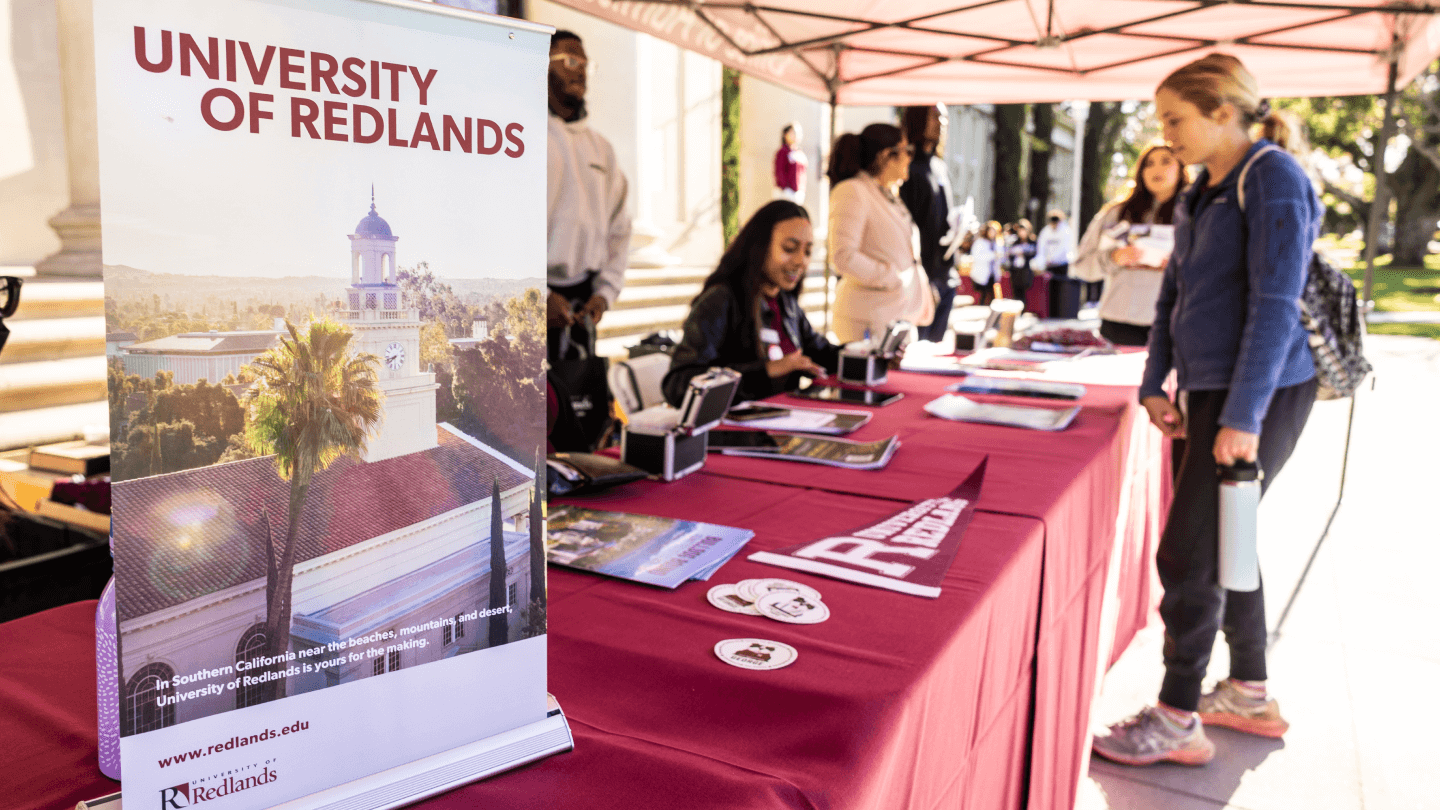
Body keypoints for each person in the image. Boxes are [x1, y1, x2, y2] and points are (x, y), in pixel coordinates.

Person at [1091, 52, 1322, 768]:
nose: (1165, 133)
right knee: (1230, 539)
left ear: (1224, 111)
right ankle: (1249, 691)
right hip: (1209, 388)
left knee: (1189, 553)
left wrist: (1243, 416)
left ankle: (1178, 714)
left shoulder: (1273, 178)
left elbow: (1277, 305)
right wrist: (1156, 380)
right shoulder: (1202, 188)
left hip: (1262, 391)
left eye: (1174, 119)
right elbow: (1173, 298)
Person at [662, 200, 839, 406]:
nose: (802, 261)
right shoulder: (721, 300)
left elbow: (823, 353)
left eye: (808, 251)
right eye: (790, 248)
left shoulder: (785, 303)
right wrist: (767, 370)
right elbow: (679, 385)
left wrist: (869, 355)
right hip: (736, 433)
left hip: (783, 425)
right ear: (760, 246)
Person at [546, 30, 631, 363]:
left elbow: (620, 228)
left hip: (581, 301)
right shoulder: (520, 135)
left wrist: (605, 293)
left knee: (580, 405)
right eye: (569, 60)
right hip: (532, 300)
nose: (580, 70)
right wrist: (537, 297)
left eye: (585, 64)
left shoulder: (602, 148)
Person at [826, 124, 936, 344]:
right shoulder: (853, 191)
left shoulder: (885, 193)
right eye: (907, 151)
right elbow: (843, 256)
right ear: (886, 155)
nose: (910, 158)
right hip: (867, 322)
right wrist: (891, 277)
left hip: (896, 318)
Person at [1072, 142, 1183, 346]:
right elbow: (1081, 266)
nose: (1157, 169)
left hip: (1178, 326)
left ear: (1182, 167)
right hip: (1119, 326)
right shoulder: (1115, 213)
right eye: (1149, 163)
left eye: (1166, 162)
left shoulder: (1198, 214)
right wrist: (1113, 258)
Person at [899, 105, 955, 342]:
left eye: (944, 116)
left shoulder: (939, 166)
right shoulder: (908, 168)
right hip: (921, 281)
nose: (941, 121)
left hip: (946, 276)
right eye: (935, 115)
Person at [1003, 219, 1037, 309]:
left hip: (1026, 271)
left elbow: (1035, 255)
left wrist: (1024, 252)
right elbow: (1008, 255)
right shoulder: (1014, 242)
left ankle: (1023, 310)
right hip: (1015, 271)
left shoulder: (1032, 242)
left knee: (1024, 293)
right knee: (1016, 292)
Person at [967, 221, 1001, 306]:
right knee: (981, 296)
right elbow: (977, 257)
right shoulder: (980, 243)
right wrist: (993, 255)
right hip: (981, 274)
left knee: (992, 296)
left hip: (992, 274)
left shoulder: (996, 243)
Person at [774, 123, 807, 205]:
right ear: (786, 135)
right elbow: (779, 171)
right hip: (786, 194)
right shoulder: (783, 152)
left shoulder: (799, 153)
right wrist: (785, 189)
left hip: (798, 193)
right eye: (793, 133)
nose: (795, 135)